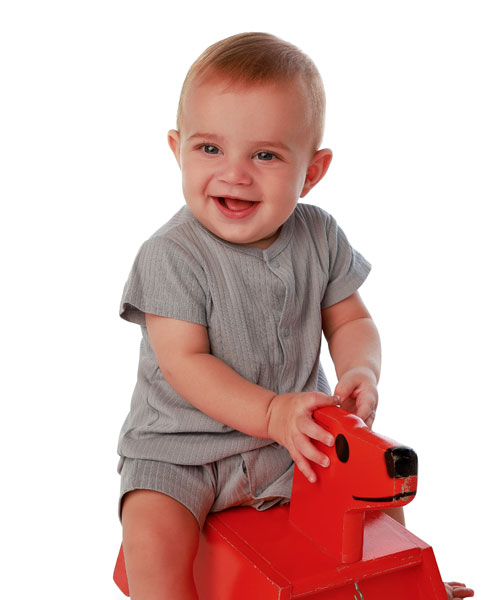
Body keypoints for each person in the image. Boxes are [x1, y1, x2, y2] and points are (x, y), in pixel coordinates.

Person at [116, 32, 474, 600]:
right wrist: (270, 412)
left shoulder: (320, 235)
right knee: (152, 540)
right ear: (177, 149)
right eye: (210, 149)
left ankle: (405, 583)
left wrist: (361, 370)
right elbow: (186, 363)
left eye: (265, 155)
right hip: (182, 452)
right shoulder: (170, 255)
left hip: (295, 440)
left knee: (374, 500)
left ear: (312, 171)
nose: (235, 173)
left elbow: (351, 321)